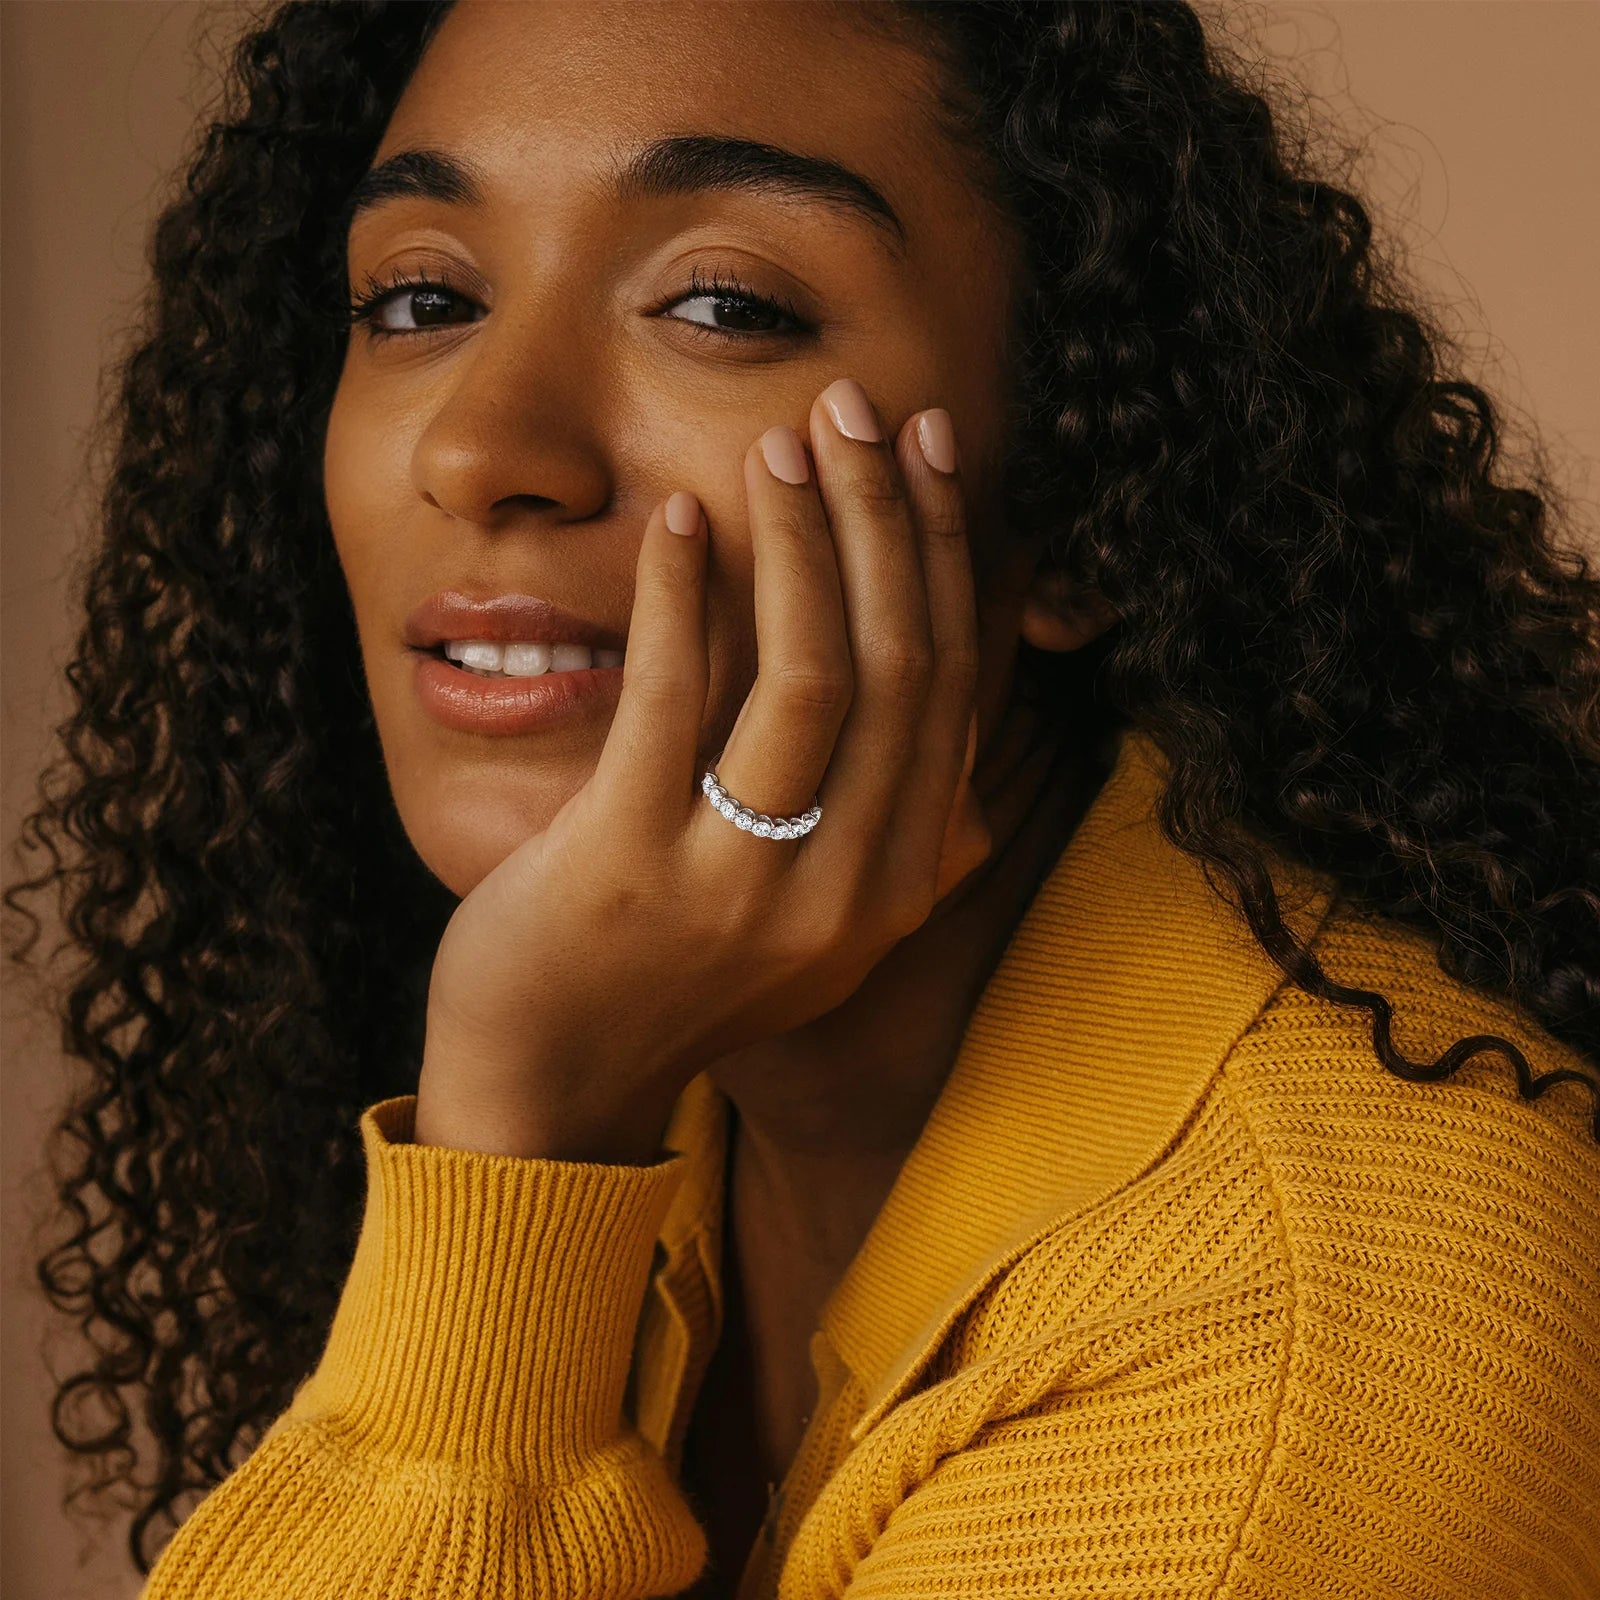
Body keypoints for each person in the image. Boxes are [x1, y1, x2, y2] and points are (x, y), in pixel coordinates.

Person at [5, 1, 1597, 1595]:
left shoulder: (1297, 1339)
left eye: (720, 304)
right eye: (422, 296)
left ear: (1081, 501)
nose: (485, 447)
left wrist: (516, 1153)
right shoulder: (680, 1056)